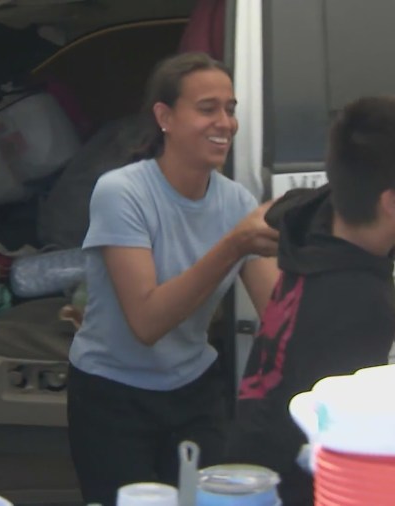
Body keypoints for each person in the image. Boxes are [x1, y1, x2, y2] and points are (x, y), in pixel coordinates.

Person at [66, 52, 280, 505]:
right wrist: (233, 246)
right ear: (164, 116)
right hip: (113, 396)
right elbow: (146, 322)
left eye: (231, 108)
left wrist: (378, 251)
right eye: (207, 108)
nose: (225, 122)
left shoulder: (236, 202)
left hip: (196, 390)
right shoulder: (122, 192)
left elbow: (281, 314)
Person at [225, 95, 395, 505]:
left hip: (250, 450)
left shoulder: (312, 216)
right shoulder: (356, 304)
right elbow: (356, 439)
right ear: (393, 203)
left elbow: (276, 214)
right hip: (288, 486)